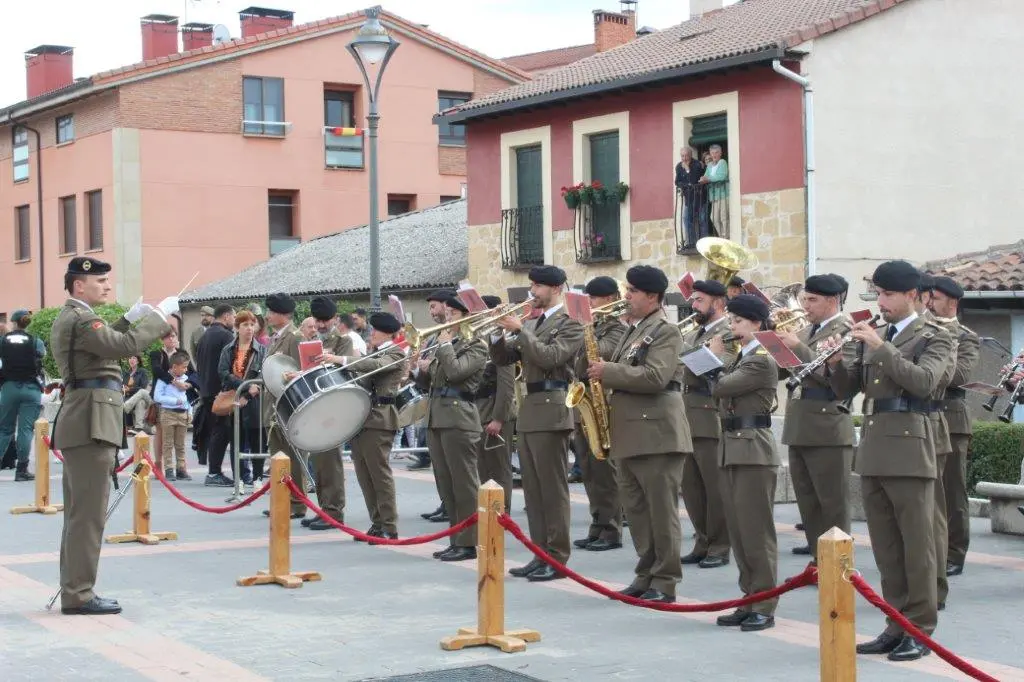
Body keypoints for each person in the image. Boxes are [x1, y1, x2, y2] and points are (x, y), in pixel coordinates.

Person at [826, 260, 953, 662]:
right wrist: (836, 363)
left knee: (917, 545)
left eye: (889, 295)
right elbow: (847, 390)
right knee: (886, 547)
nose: (881, 302)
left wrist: (882, 349)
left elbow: (924, 383)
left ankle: (920, 628)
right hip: (875, 446)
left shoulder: (935, 336)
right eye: (878, 294)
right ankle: (895, 623)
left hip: (911, 447)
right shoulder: (876, 334)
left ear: (912, 295)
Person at [50, 256, 176, 615]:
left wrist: (128, 319)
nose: (107, 286)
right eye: (101, 281)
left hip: (85, 419)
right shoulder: (82, 318)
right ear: (79, 286)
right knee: (88, 516)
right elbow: (121, 346)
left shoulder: (76, 317)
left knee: (80, 515)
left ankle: (75, 588)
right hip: (90, 422)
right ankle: (78, 594)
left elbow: (103, 343)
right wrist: (159, 317)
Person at [588, 266, 690, 602]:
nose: (626, 296)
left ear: (652, 296)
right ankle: (645, 573)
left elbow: (655, 377)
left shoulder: (665, 331)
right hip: (630, 434)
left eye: (632, 291)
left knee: (661, 513)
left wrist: (608, 371)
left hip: (656, 435)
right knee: (637, 511)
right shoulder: (634, 329)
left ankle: (665, 581)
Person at [491, 265, 585, 582]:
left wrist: (520, 331)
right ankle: (539, 552)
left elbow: (550, 357)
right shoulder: (533, 322)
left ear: (555, 289)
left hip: (553, 407)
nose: (532, 292)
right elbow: (503, 359)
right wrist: (497, 333)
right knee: (533, 491)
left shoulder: (571, 323)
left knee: (552, 490)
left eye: (538, 286)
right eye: (531, 285)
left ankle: (557, 557)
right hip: (531, 408)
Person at [708, 294, 781, 632]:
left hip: (753, 448)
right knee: (739, 531)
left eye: (737, 321)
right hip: (733, 446)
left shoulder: (761, 359)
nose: (732, 327)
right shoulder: (743, 356)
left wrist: (714, 357)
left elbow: (722, 387)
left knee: (756, 531)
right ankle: (748, 597)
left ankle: (764, 603)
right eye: (731, 320)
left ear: (756, 323)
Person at [774, 274, 854, 558]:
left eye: (812, 300)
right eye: (804, 299)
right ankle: (816, 548)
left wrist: (795, 346)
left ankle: (837, 558)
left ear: (831, 301)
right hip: (800, 423)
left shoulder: (845, 329)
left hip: (827, 424)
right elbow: (786, 372)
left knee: (832, 500)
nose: (805, 306)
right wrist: (774, 347)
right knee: (807, 497)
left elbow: (834, 378)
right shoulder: (807, 330)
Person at [415, 295, 488, 561]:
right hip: (437, 417)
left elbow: (457, 373)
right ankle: (456, 539)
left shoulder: (476, 345)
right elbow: (433, 383)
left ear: (466, 317)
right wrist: (417, 370)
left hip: (459, 418)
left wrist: (444, 346)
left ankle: (469, 542)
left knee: (464, 485)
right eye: (446, 314)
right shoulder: (446, 344)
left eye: (452, 314)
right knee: (447, 485)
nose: (447, 319)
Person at [679, 280, 735, 568]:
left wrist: (708, 356)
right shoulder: (693, 333)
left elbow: (727, 371)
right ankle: (702, 541)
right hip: (687, 414)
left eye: (700, 300)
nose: (694, 305)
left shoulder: (728, 332)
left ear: (719, 303)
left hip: (709, 413)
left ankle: (720, 546)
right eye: (693, 300)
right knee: (691, 487)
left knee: (714, 488)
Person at [927, 276, 980, 578]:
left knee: (952, 490)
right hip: (925, 416)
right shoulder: (923, 330)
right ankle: (932, 548)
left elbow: (960, 375)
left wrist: (929, 365)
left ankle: (955, 552)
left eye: (935, 298)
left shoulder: (965, 337)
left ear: (953, 302)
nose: (930, 303)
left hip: (952, 417)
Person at [341, 312, 408, 540]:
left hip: (380, 418)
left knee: (379, 475)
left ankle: (389, 526)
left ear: (386, 333)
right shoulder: (376, 352)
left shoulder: (395, 353)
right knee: (365, 475)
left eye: (375, 330)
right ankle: (377, 523)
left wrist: (342, 359)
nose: (371, 334)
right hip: (364, 418)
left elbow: (376, 366)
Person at [572, 275, 626, 552]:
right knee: (589, 470)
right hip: (585, 399)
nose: (590, 303)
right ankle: (598, 524)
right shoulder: (594, 324)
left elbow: (601, 353)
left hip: (603, 399)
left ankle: (611, 529)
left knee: (605, 471)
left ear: (609, 299)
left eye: (593, 298)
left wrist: (585, 328)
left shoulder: (616, 328)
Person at [303, 296, 354, 530]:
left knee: (331, 463)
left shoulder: (343, 341)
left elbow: (347, 370)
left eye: (325, 320)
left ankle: (334, 512)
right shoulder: (309, 341)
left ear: (335, 319)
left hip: (333, 406)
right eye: (318, 320)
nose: (321, 325)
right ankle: (324, 508)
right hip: (314, 406)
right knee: (319, 462)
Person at [260, 293, 309, 521]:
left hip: (289, 406)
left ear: (284, 314)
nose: (267, 316)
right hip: (273, 407)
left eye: (271, 312)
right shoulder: (275, 338)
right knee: (277, 457)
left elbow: (302, 371)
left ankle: (297, 502)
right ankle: (281, 501)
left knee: (293, 457)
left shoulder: (295, 337)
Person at [474, 294, 515, 512]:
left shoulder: (501, 339)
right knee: (483, 469)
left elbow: (507, 383)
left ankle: (501, 513)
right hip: (480, 412)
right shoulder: (481, 338)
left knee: (498, 469)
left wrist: (498, 418)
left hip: (494, 413)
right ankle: (488, 513)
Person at [217, 310, 267, 484]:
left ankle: (257, 478)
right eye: (245, 325)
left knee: (257, 441)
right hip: (234, 400)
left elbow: (263, 376)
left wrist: (248, 394)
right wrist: (243, 388)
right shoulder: (228, 349)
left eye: (252, 325)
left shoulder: (262, 350)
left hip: (255, 401)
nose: (249, 328)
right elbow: (223, 373)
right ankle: (239, 479)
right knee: (236, 441)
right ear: (237, 328)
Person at [0, 309, 47, 482]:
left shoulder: (3, 340)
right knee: (26, 430)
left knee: (4, 429)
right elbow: (42, 356)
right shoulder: (35, 341)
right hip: (31, 388)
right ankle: (21, 470)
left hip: (9, 388)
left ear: (13, 323)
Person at [196, 304, 237, 486]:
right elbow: (230, 366)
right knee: (222, 431)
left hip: (205, 389)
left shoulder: (204, 336)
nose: (234, 321)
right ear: (226, 316)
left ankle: (214, 471)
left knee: (216, 430)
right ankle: (214, 473)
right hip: (220, 391)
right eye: (234, 317)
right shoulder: (226, 336)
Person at [153, 351, 193, 479]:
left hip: (183, 414)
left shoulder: (186, 379)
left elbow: (189, 398)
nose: (186, 370)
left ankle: (181, 469)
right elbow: (157, 396)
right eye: (184, 367)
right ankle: (169, 469)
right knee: (168, 443)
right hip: (168, 413)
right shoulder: (164, 379)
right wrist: (175, 401)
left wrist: (190, 411)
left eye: (186, 367)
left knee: (180, 444)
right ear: (174, 367)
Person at [121, 354, 152, 434]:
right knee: (140, 402)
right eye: (130, 358)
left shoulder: (142, 371)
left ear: (138, 361)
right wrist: (124, 388)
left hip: (142, 395)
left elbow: (143, 386)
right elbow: (123, 386)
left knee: (141, 392)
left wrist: (130, 389)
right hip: (130, 397)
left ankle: (126, 407)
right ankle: (138, 428)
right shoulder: (126, 373)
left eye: (134, 358)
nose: (131, 360)